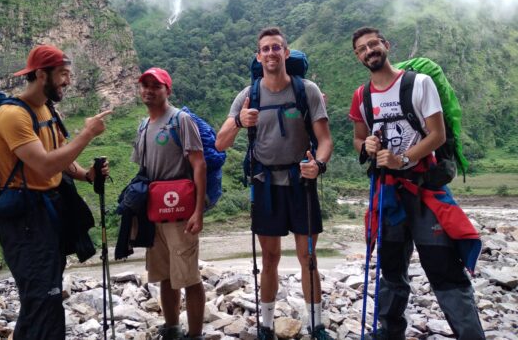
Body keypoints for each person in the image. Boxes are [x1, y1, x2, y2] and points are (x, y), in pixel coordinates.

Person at [349, 27, 485, 340]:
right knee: (392, 267)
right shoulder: (362, 96)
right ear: (358, 56)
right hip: (389, 194)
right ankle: (390, 331)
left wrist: (403, 160)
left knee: (444, 269)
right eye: (362, 48)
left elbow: (436, 135)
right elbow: (358, 138)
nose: (369, 50)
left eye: (374, 44)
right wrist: (366, 147)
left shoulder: (419, 84)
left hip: (422, 187)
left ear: (386, 45)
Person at [215, 27, 334, 340]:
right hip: (265, 185)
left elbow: (324, 140)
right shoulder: (248, 95)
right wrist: (240, 121)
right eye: (265, 49)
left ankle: (316, 325)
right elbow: (220, 143)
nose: (270, 53)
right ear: (259, 55)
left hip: (301, 183)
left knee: (308, 258)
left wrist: (318, 165)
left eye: (276, 48)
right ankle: (266, 326)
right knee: (269, 258)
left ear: (286, 52)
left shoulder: (306, 90)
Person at [0, 44, 112, 340]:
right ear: (41, 74)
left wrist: (85, 174)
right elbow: (44, 166)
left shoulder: (46, 109)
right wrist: (86, 134)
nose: (67, 81)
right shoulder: (12, 115)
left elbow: (60, 153)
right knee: (42, 297)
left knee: (45, 296)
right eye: (63, 74)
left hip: (47, 211)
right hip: (24, 218)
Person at [132, 67, 207, 340]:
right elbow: (142, 173)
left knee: (188, 275)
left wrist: (199, 211)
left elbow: (199, 165)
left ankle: (195, 334)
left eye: (156, 85)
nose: (149, 90)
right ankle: (173, 327)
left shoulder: (180, 120)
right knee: (164, 274)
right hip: (154, 213)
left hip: (181, 212)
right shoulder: (143, 126)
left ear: (168, 90)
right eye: (145, 85)